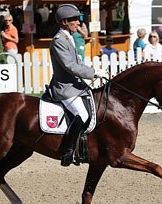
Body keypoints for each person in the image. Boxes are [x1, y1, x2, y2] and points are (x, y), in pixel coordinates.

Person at [48, 4, 106, 167]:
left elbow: (78, 61)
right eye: (75, 20)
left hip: (76, 85)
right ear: (65, 21)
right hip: (65, 88)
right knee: (83, 115)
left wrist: (95, 71)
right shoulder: (59, 41)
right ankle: (68, 152)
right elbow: (70, 66)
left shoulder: (69, 37)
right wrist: (93, 73)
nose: (78, 23)